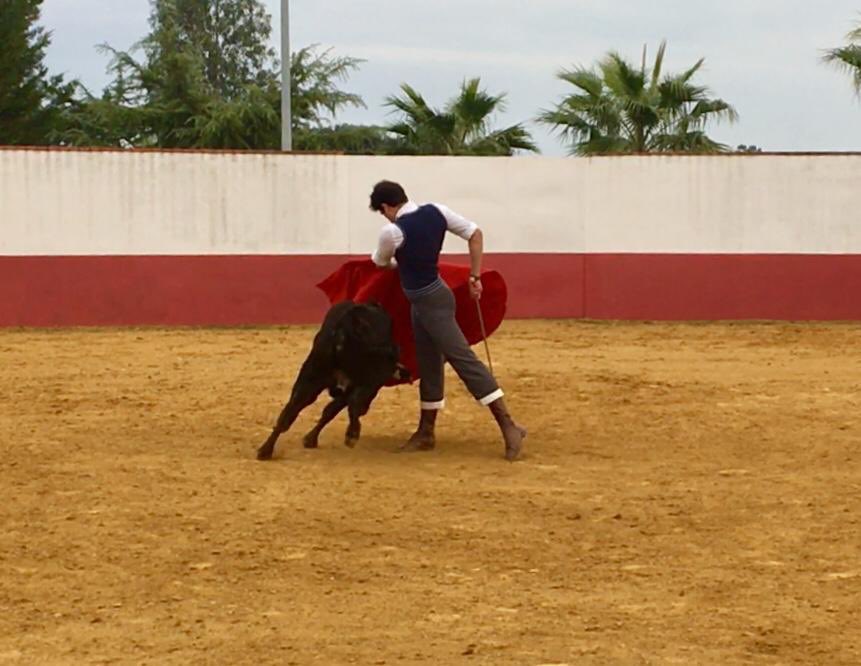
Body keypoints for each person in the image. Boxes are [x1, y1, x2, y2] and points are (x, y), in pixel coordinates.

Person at [369, 180, 526, 461]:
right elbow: (475, 233)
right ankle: (426, 432)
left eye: (383, 212)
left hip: (430, 303)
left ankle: (508, 425)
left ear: (386, 207)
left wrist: (399, 262)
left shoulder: (392, 232)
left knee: (463, 359)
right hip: (430, 299)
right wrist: (474, 276)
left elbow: (381, 263)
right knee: (429, 363)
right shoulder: (437, 211)